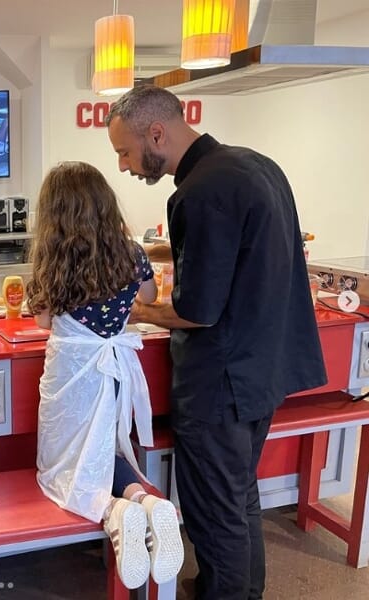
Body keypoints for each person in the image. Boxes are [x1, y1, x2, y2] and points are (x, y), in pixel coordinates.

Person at [105, 84, 326, 600]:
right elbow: (245, 256)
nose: (124, 165)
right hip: (263, 371)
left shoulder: (198, 193)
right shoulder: (257, 166)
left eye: (125, 151)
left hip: (220, 383)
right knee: (240, 496)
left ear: (156, 133)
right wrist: (164, 248)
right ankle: (240, 592)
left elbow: (197, 312)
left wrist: (134, 309)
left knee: (214, 510)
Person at [27, 161, 184, 590]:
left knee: (61, 466)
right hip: (113, 367)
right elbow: (148, 297)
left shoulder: (52, 256)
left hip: (70, 371)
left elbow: (42, 319)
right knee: (106, 447)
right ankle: (144, 501)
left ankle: (115, 514)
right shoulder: (129, 251)